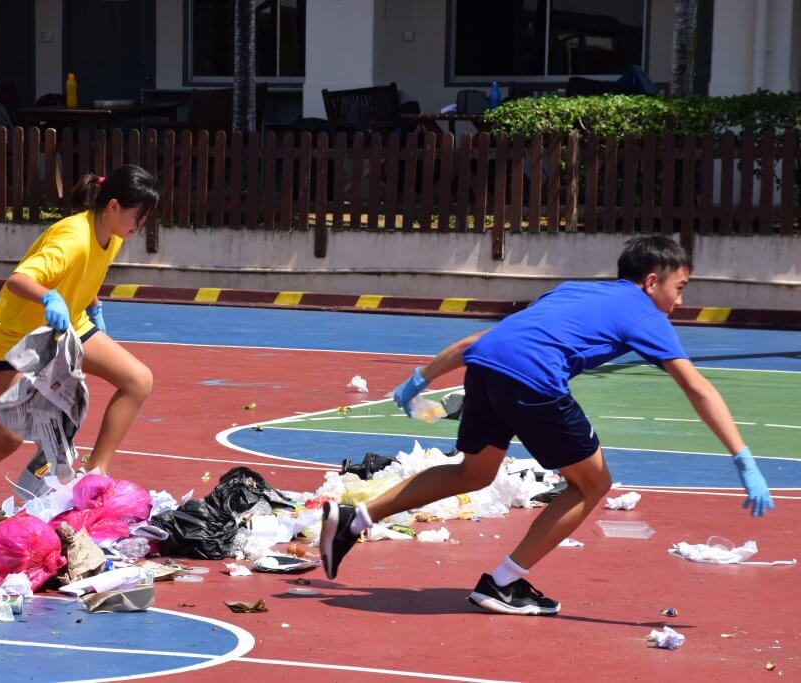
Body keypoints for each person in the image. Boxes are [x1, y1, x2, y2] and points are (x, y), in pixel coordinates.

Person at [320, 235, 774, 616]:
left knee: (473, 472)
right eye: (680, 288)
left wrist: (420, 379)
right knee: (592, 484)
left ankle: (354, 519)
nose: (681, 301)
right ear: (652, 282)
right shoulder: (643, 312)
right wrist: (743, 458)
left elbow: (483, 339)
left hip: (485, 369)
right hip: (532, 379)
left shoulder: (573, 291)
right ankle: (503, 582)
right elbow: (697, 387)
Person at [0, 165, 160, 527]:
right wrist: (49, 297)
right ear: (113, 206)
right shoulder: (71, 238)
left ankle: (95, 473)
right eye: (138, 216)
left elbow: (85, 273)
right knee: (10, 435)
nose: (140, 226)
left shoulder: (112, 236)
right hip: (21, 334)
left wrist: (94, 307)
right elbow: (19, 279)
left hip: (70, 325)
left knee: (138, 380)